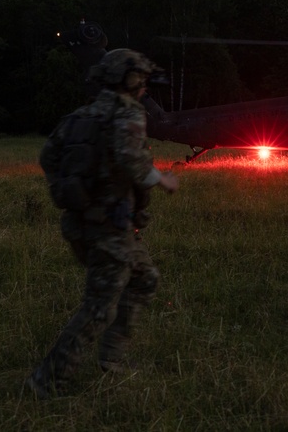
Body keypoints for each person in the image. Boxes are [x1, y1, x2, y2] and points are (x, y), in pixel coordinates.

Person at [26, 49, 179, 399]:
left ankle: (112, 360)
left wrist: (71, 194)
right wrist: (163, 180)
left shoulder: (81, 115)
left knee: (144, 280)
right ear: (131, 80)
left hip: (85, 224)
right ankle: (45, 382)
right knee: (99, 308)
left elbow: (48, 156)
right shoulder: (127, 113)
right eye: (142, 80)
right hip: (109, 230)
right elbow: (131, 160)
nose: (145, 88)